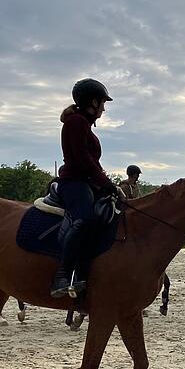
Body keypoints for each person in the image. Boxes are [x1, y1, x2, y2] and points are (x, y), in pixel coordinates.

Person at [51, 78, 121, 298]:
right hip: (73, 182)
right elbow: (82, 159)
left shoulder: (85, 125)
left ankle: (84, 273)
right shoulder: (76, 123)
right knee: (85, 218)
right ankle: (62, 276)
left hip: (86, 181)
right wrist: (104, 182)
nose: (104, 107)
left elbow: (93, 162)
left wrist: (107, 184)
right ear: (92, 101)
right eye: (102, 102)